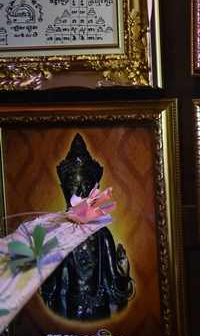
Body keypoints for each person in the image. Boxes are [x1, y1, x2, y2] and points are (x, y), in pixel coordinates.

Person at [40, 134, 133, 321]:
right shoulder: (60, 234)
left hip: (99, 308)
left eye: (86, 187)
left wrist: (123, 274)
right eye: (75, 186)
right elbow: (52, 286)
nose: (81, 192)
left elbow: (114, 283)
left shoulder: (101, 234)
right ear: (65, 189)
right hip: (71, 308)